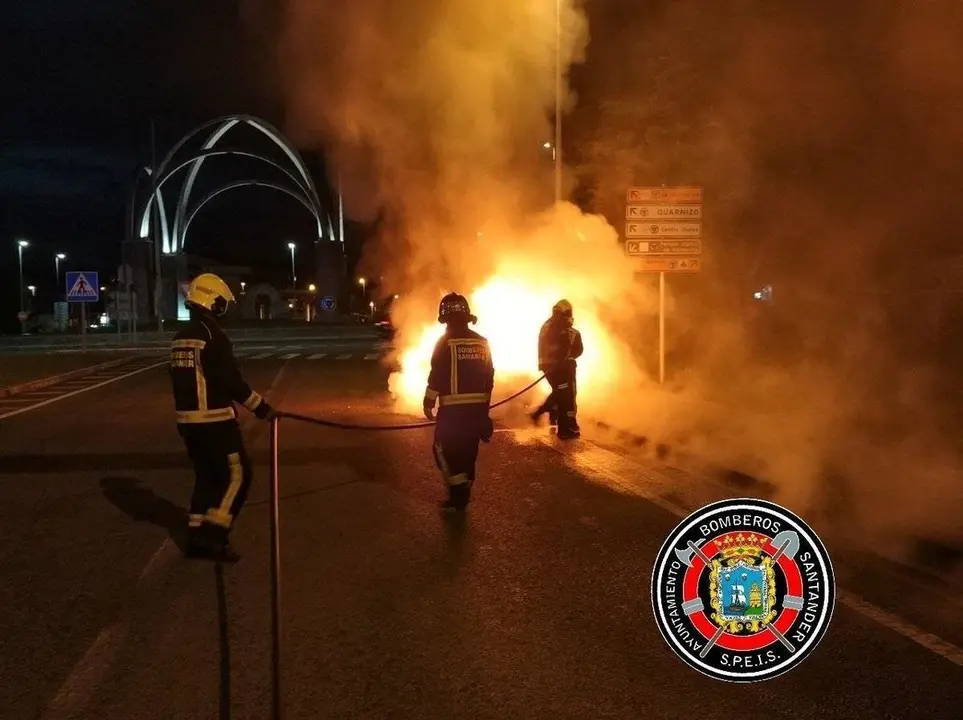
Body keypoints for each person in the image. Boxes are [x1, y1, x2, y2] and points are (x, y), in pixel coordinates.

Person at [169, 273, 275, 562]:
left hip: (187, 423)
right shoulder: (213, 336)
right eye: (221, 303)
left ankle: (195, 538)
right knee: (238, 475)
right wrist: (261, 407)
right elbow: (230, 380)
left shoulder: (181, 337)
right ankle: (215, 537)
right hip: (214, 421)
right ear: (212, 302)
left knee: (206, 478)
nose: (223, 309)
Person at [423, 293, 495, 510]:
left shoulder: (445, 342)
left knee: (443, 449)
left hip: (453, 411)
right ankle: (463, 491)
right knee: (467, 452)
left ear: (445, 318)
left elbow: (437, 374)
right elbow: (489, 376)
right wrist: (484, 409)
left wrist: (428, 401)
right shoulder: (483, 342)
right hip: (477, 411)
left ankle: (458, 494)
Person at [531, 299, 583, 439]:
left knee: (560, 392)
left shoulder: (549, 323)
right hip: (557, 366)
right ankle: (564, 429)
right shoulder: (559, 325)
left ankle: (546, 416)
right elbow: (563, 345)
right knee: (565, 394)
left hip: (549, 365)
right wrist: (566, 356)